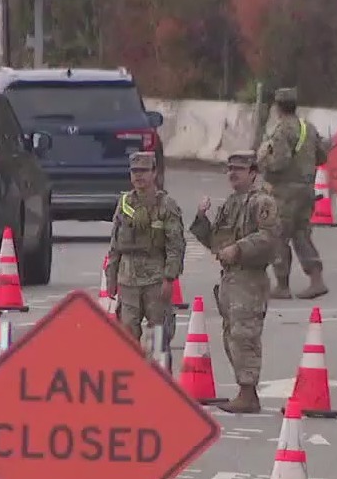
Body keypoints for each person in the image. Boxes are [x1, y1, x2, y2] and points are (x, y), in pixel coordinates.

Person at [190, 151, 279, 414]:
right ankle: (244, 389)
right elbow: (217, 243)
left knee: (245, 335)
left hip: (249, 279)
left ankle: (249, 392)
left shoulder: (262, 202)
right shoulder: (230, 203)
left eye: (239, 169)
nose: (233, 173)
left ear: (253, 172)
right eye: (230, 168)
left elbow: (269, 238)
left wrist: (239, 249)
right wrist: (201, 220)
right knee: (231, 335)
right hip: (230, 278)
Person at [105, 152, 185, 348]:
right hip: (128, 278)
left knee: (158, 336)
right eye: (134, 171)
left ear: (154, 173)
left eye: (143, 171)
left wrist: (169, 278)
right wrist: (111, 279)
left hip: (155, 279)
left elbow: (175, 245)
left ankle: (158, 376)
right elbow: (115, 245)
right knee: (127, 336)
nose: (138, 176)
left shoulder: (166, 205)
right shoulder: (124, 204)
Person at [256, 87, 329, 299]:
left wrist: (262, 161)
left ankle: (282, 285)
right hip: (306, 190)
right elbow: (322, 157)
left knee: (278, 236)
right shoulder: (309, 128)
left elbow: (280, 162)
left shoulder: (281, 131)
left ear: (277, 107)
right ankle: (317, 280)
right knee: (302, 235)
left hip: (284, 192)